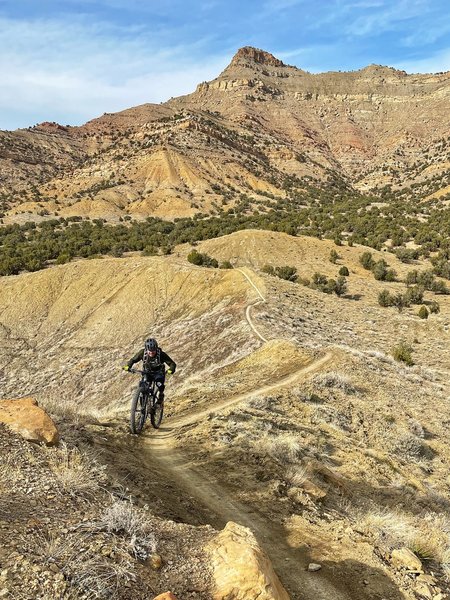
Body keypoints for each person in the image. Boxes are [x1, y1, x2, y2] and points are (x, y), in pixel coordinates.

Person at [123, 338, 176, 402]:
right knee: (143, 384)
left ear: (156, 349)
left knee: (159, 384)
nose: (151, 352)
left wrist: (171, 370)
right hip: (147, 372)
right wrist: (128, 366)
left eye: (153, 350)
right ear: (146, 349)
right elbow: (133, 360)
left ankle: (161, 395)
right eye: (149, 351)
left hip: (158, 372)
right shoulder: (142, 352)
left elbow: (172, 363)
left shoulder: (161, 354)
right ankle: (143, 401)